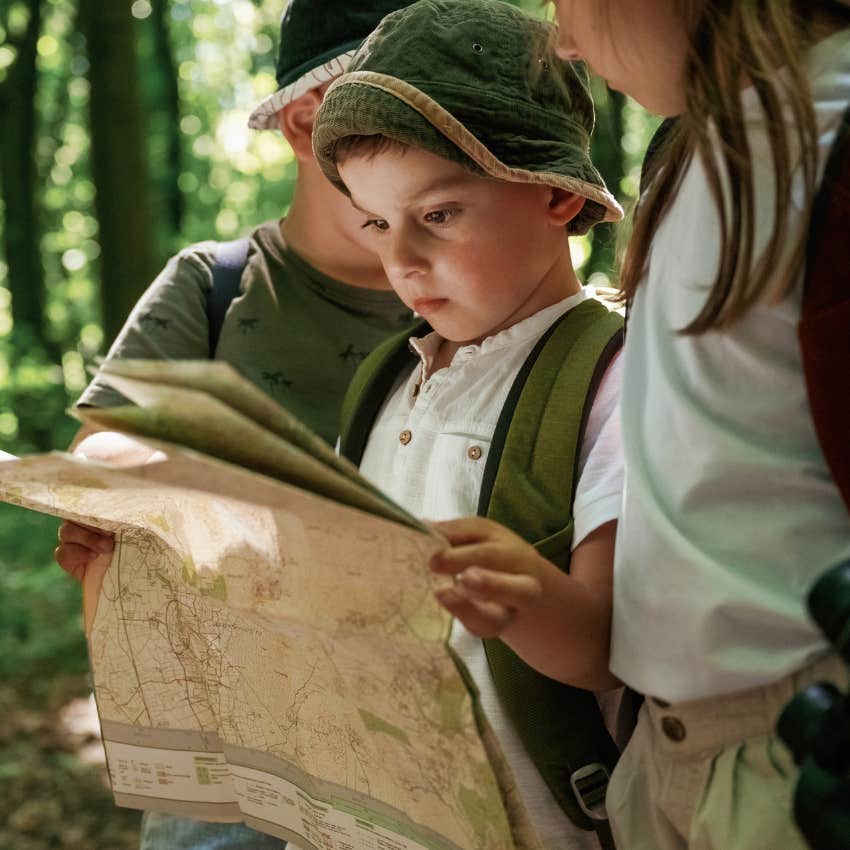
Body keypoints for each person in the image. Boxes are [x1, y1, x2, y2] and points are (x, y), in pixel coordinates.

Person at [54, 2, 416, 848]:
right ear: (306, 122)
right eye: (401, 119)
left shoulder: (474, 294)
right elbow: (100, 451)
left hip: (420, 757)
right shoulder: (216, 287)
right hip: (230, 767)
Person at [311, 1, 628, 846]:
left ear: (556, 192)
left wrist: (522, 598)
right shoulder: (386, 380)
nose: (401, 259)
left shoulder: (612, 378)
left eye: (439, 214)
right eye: (376, 223)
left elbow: (607, 646)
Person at [541, 2, 850, 849]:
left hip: (796, 753)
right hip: (669, 755)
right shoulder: (705, 144)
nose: (561, 40)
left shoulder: (834, 131)